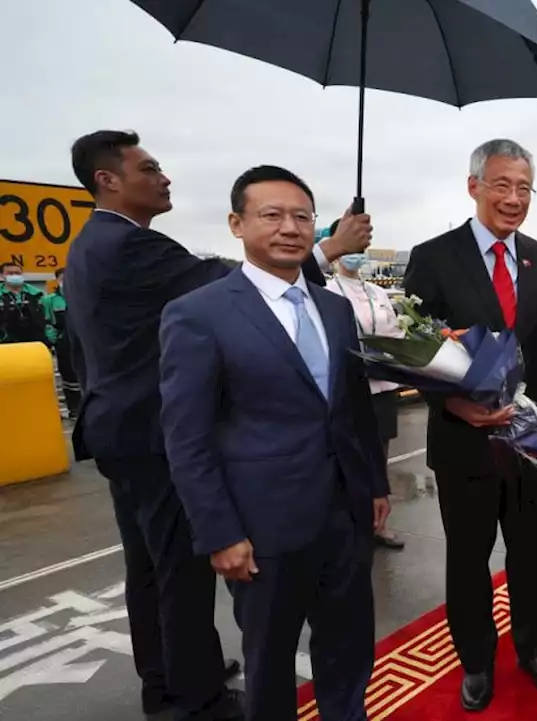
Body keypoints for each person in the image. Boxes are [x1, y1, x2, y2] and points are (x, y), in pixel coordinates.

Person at [61, 130, 371, 720]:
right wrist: (329, 247)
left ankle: (168, 681)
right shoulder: (134, 253)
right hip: (158, 435)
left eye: (301, 217)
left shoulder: (89, 246)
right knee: (183, 574)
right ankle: (193, 696)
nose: (166, 177)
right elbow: (228, 288)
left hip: (115, 426)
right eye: (149, 167)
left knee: (149, 572)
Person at [158, 166, 389, 720]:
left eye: (302, 216)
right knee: (269, 659)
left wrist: (374, 486)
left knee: (349, 647)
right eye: (272, 215)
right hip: (262, 528)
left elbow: (351, 408)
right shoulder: (199, 314)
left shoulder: (333, 307)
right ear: (237, 224)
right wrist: (219, 532)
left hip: (344, 515)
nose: (290, 228)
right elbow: (186, 437)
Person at [401, 139, 537, 711]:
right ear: (473, 185)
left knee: (534, 556)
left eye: (524, 187)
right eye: (501, 184)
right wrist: (453, 405)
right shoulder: (432, 257)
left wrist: (534, 411)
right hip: (463, 443)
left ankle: (534, 651)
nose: (513, 198)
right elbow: (412, 347)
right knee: (468, 558)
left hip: (526, 443)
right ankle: (475, 662)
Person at [325, 226, 406, 550]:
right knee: (344, 456)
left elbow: (395, 332)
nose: (356, 253)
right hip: (347, 386)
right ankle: (347, 523)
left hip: (383, 384)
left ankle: (378, 524)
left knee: (379, 455)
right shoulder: (328, 290)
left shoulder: (377, 292)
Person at [42, 268, 82, 418]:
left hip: (83, 340)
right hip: (64, 342)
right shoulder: (50, 300)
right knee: (68, 375)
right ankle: (74, 408)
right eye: (62, 278)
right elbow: (46, 322)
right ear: (57, 280)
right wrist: (52, 339)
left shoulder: (83, 297)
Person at [0, 261, 47, 345]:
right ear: (2, 276)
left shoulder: (37, 294)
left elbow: (47, 319)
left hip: (34, 343)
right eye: (10, 273)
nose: (14, 276)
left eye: (17, 273)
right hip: (5, 344)